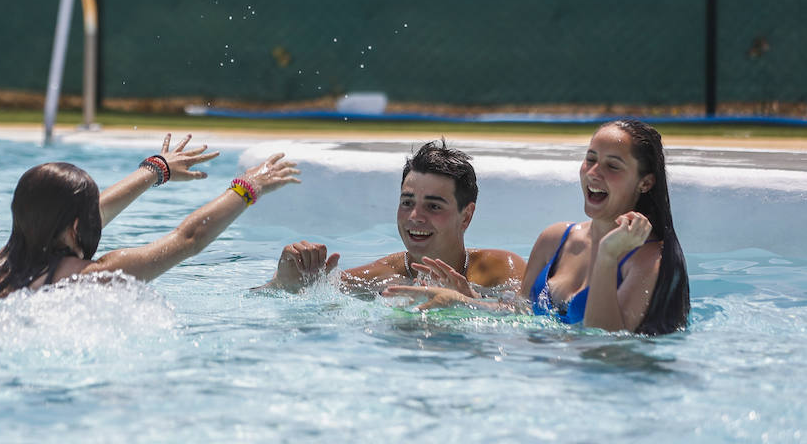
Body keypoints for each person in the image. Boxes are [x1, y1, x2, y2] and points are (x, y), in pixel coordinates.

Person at [0, 134, 300, 378]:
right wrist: (246, 187)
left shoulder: (9, 256)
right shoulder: (91, 276)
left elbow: (87, 212)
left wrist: (155, 170)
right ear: (77, 227)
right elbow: (188, 239)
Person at [387, 119, 690, 335]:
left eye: (612, 166)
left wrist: (608, 257)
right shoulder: (555, 239)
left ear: (646, 182)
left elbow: (606, 347)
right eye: (590, 159)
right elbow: (522, 314)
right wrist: (468, 302)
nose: (594, 173)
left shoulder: (651, 261)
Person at [259, 140, 525, 295]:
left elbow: (539, 320)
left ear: (466, 216)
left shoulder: (501, 269)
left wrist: (469, 302)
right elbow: (267, 299)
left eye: (433, 207)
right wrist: (284, 282)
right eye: (407, 203)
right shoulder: (383, 276)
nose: (414, 217)